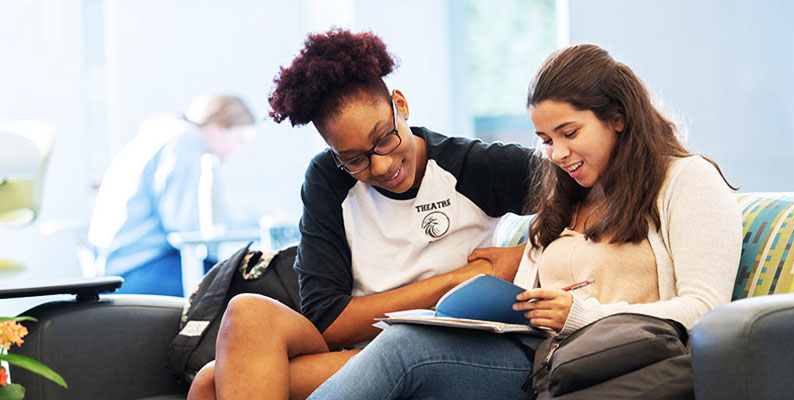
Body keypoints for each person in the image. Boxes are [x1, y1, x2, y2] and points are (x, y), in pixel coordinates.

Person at [306, 44, 743, 399]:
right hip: (542, 360)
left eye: (569, 133)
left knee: (403, 351)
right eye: (546, 140)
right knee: (403, 343)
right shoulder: (570, 190)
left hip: (615, 364)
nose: (556, 154)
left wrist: (579, 314)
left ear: (618, 118)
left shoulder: (688, 181)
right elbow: (534, 296)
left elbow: (706, 311)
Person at [186, 28, 534, 399]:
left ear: (399, 105)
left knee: (212, 382)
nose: (381, 165)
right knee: (246, 312)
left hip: (440, 345)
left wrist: (527, 255)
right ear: (334, 153)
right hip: (360, 346)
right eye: (355, 159)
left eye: (385, 138)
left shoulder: (471, 165)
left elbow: (587, 191)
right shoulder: (327, 180)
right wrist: (464, 277)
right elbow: (329, 320)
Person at [88, 94, 259, 296]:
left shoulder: (165, 133)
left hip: (118, 265)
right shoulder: (186, 140)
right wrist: (258, 221)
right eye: (240, 140)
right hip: (136, 270)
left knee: (230, 278)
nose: (238, 151)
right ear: (216, 129)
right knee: (248, 288)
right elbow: (186, 225)